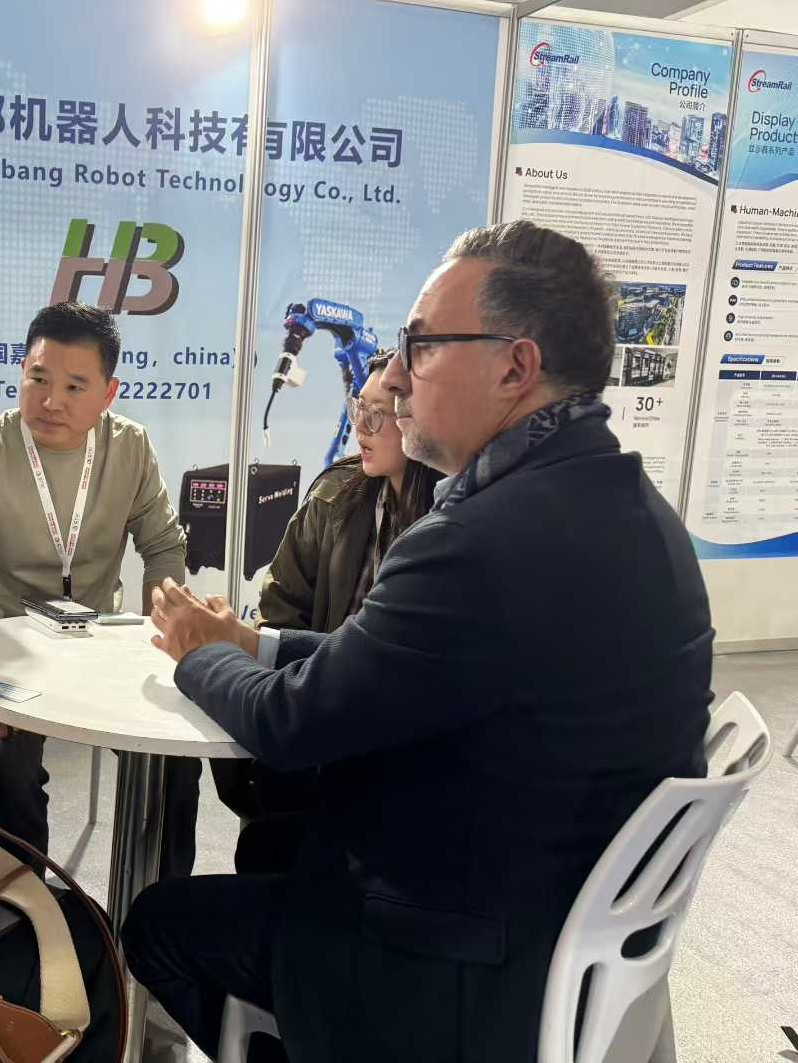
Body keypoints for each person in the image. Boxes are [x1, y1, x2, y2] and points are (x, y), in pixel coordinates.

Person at [122, 220, 715, 1062]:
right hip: (549, 920)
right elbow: (388, 660)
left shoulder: (483, 540)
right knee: (276, 850)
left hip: (457, 961)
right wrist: (254, 643)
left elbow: (292, 726)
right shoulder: (624, 507)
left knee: (159, 924)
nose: (396, 376)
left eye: (423, 346)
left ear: (516, 367)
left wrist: (197, 651)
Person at [0, 301, 197, 875]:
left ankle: (158, 908)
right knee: (7, 769)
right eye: (38, 379)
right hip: (3, 655)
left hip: (100, 645)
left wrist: (159, 636)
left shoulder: (130, 447)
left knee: (175, 758)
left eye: (74, 386)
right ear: (21, 372)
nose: (51, 401)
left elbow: (163, 546)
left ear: (108, 394)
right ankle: (32, 909)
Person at [211, 350, 441, 846]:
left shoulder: (452, 523)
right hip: (318, 707)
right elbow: (281, 607)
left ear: (420, 420)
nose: (361, 427)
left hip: (398, 742)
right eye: (359, 407)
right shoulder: (335, 494)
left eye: (378, 414)